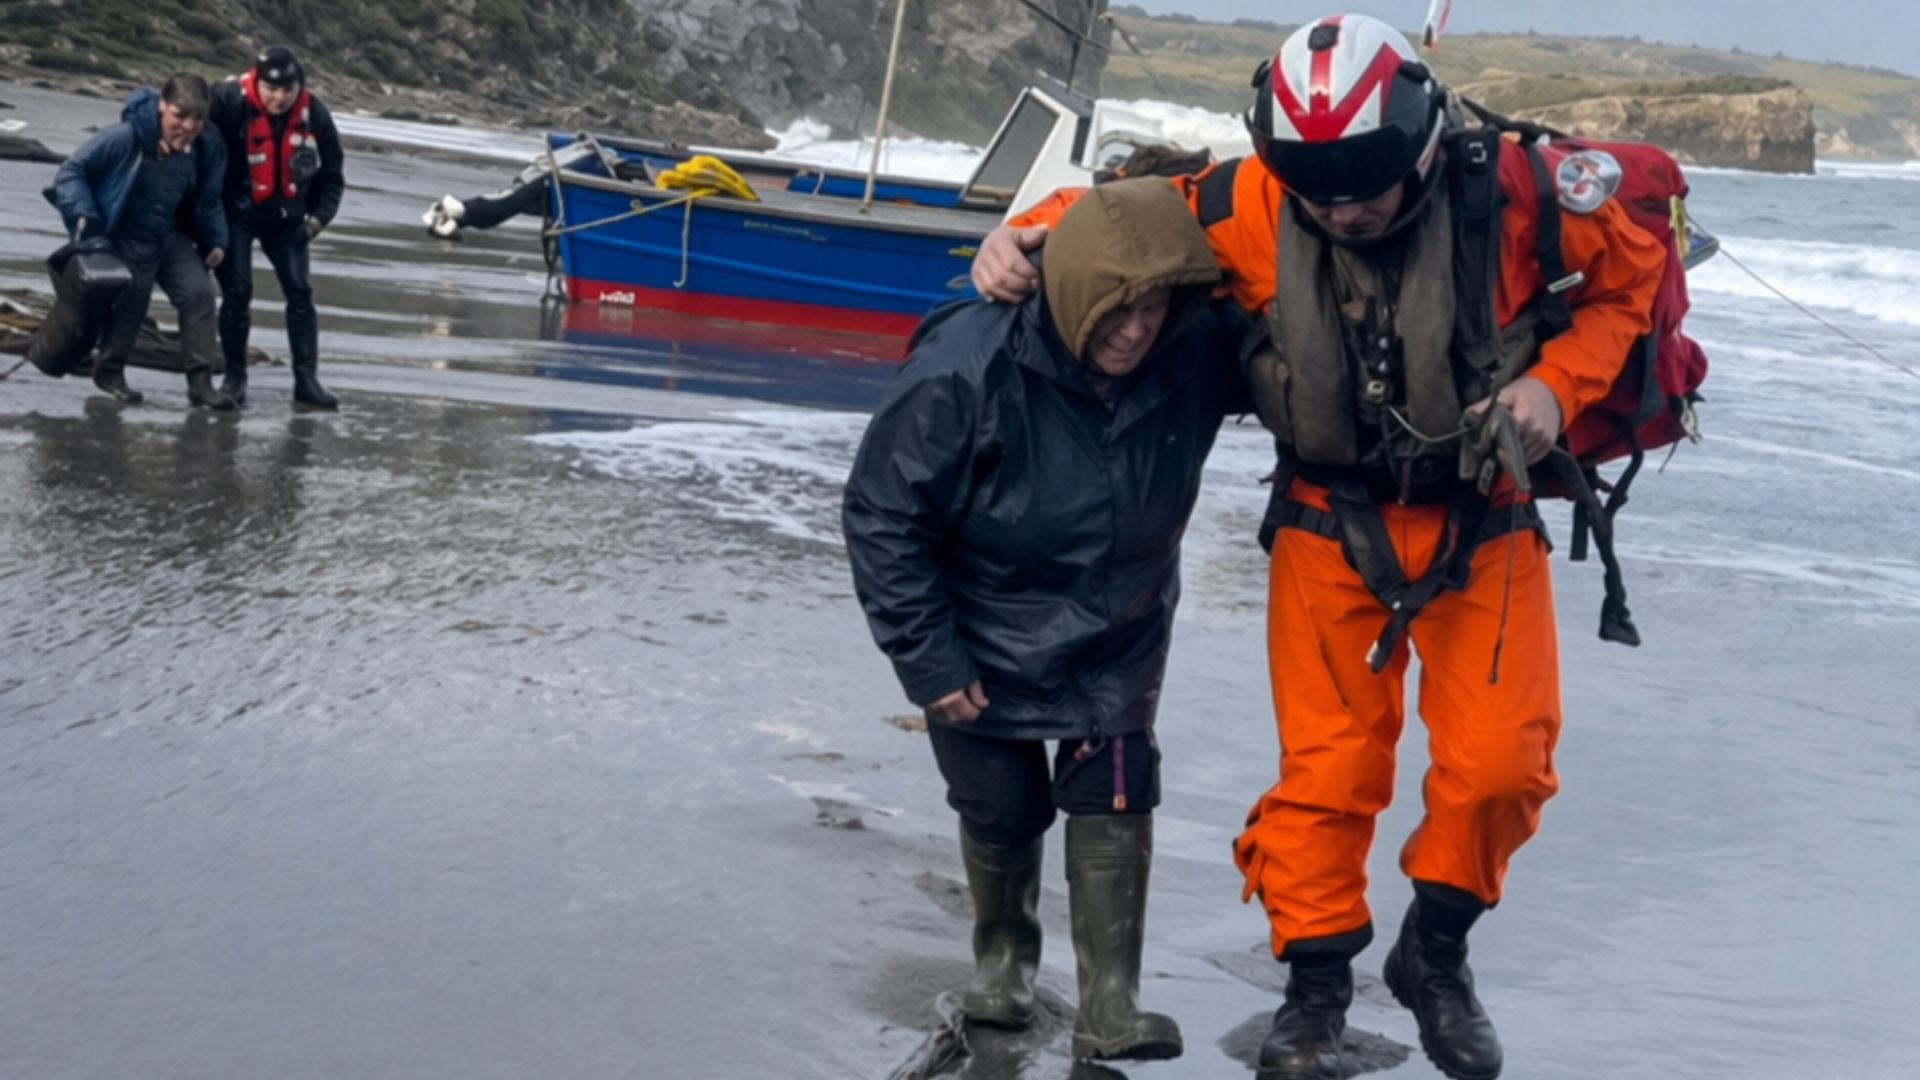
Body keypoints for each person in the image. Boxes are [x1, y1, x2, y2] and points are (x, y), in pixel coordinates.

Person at [970, 15, 1666, 1080]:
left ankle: (1434, 951)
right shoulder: (1251, 198)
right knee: (1328, 772)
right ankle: (1315, 985)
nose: (1342, 204)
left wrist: (1553, 386)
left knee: (1502, 766)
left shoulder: (1519, 195)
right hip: (1324, 520)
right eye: (1318, 185)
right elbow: (1124, 223)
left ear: (1422, 141)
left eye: (1365, 182)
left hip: (1486, 515)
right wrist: (1019, 236)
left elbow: (1628, 289)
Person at [843, 178, 1255, 1064]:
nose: (1136, 329)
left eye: (1155, 308)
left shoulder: (1196, 352)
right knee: (1002, 807)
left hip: (1118, 630)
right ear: (1069, 289)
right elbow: (883, 515)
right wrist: (930, 661)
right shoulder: (963, 368)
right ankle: (1004, 964)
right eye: (1117, 306)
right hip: (976, 627)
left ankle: (1114, 1000)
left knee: (1115, 793)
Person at [43, 75, 233, 409]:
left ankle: (201, 383)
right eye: (180, 115)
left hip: (171, 235)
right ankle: (110, 372)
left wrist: (216, 239)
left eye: (198, 118)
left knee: (199, 295)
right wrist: (85, 220)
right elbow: (72, 172)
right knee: (132, 305)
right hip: (124, 233)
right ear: (162, 105)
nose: (188, 126)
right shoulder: (125, 136)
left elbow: (209, 199)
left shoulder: (209, 146)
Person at [209, 45, 345, 408]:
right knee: (237, 293)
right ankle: (235, 377)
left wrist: (318, 220)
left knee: (300, 293)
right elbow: (192, 133)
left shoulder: (314, 113)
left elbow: (332, 174)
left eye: (288, 89)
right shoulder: (226, 102)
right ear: (256, 80)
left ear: (300, 86)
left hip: (287, 217)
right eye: (271, 89)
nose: (280, 97)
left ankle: (307, 380)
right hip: (236, 212)